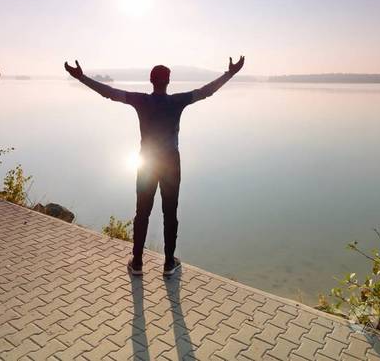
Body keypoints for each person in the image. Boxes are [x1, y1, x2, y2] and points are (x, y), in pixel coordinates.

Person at [64, 56, 245, 277]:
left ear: (151, 80)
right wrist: (230, 73)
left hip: (147, 162)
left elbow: (109, 92)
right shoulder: (178, 101)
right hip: (170, 162)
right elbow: (207, 91)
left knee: (142, 212)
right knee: (170, 213)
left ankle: (138, 262)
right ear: (168, 81)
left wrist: (81, 77)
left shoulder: (141, 101)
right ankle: (169, 263)